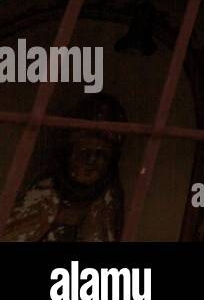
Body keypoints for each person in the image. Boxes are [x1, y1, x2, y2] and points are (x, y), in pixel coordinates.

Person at [1, 93, 127, 242]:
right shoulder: (44, 195)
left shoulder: (108, 202)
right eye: (85, 152)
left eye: (101, 155)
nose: (91, 161)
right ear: (69, 152)